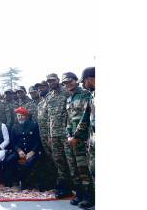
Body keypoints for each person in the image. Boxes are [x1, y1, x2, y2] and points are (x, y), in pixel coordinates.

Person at [62, 72, 94, 208]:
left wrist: (76, 136)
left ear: (76, 81)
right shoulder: (69, 99)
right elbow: (68, 119)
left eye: (70, 81)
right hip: (71, 139)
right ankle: (80, 194)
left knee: (84, 169)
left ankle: (90, 197)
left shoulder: (86, 94)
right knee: (74, 168)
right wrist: (69, 134)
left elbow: (86, 117)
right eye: (65, 83)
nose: (67, 84)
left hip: (83, 139)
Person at [45, 73, 73, 198]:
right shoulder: (49, 96)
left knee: (71, 161)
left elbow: (71, 113)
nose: (51, 83)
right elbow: (49, 117)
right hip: (54, 135)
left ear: (57, 80)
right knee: (59, 161)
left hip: (66, 134)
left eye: (53, 81)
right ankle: (64, 187)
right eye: (49, 81)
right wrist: (49, 135)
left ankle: (78, 188)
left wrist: (71, 133)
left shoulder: (66, 93)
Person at [4, 107, 42, 189]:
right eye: (18, 116)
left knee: (29, 163)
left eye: (22, 115)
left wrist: (32, 152)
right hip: (19, 151)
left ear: (26, 116)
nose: (20, 117)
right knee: (8, 160)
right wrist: (19, 151)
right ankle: (13, 181)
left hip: (31, 151)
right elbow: (13, 142)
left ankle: (26, 182)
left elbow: (38, 141)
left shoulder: (33, 125)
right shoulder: (14, 127)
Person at [79, 67, 95, 179]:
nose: (83, 85)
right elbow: (86, 118)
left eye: (84, 82)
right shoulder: (92, 95)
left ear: (89, 79)